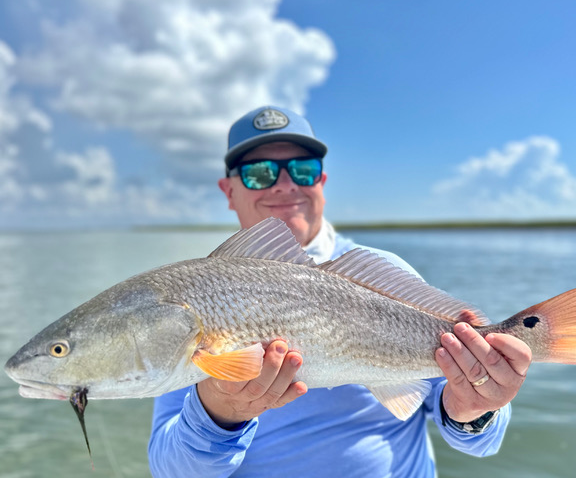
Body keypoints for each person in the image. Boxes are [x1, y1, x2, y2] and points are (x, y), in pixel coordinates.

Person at [148, 106, 532, 477]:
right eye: (259, 172)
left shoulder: (385, 272)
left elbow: (479, 441)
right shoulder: (197, 296)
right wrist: (219, 414)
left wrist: (476, 408)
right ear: (228, 191)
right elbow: (170, 471)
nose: (285, 184)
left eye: (303, 169)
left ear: (322, 184)